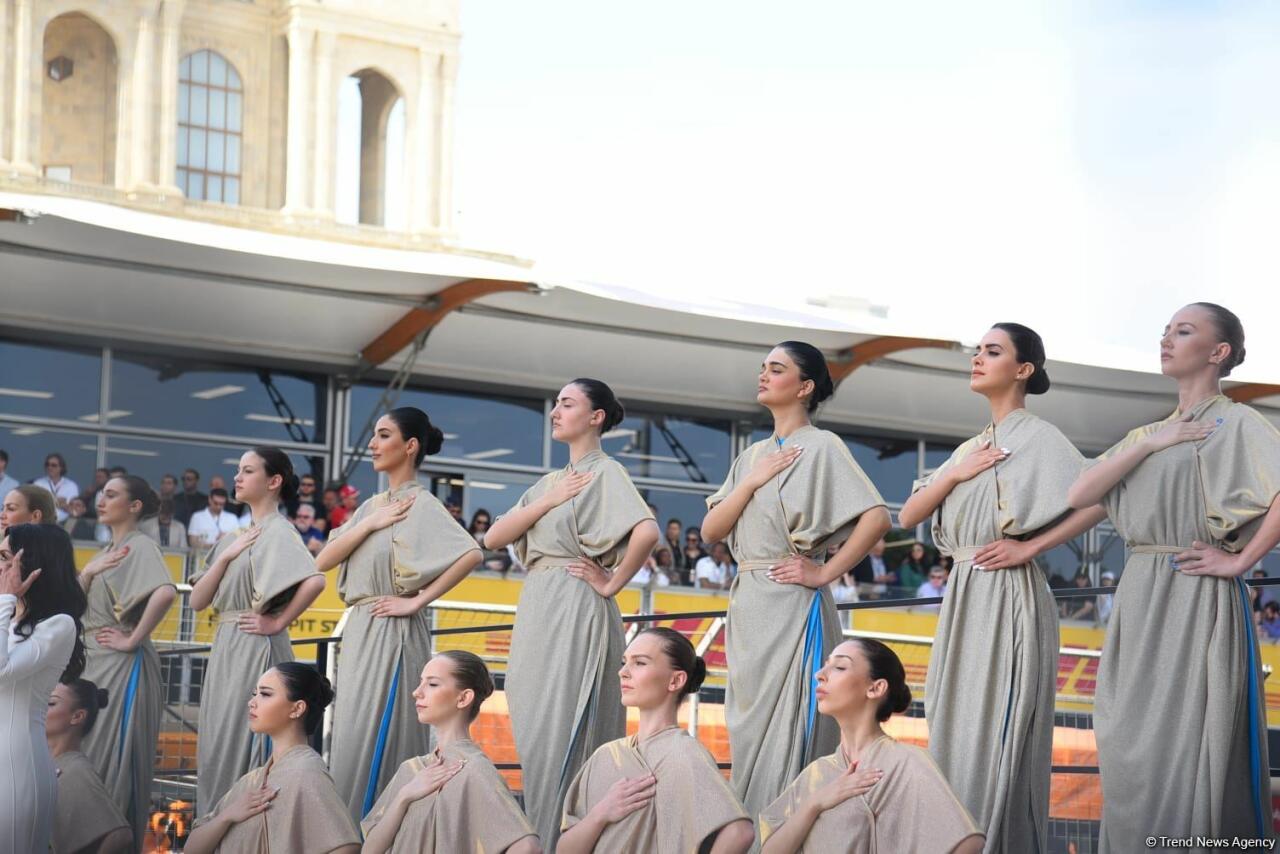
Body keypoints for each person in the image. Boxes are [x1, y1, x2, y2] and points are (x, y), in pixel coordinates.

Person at [1065, 303, 1280, 850]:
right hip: (1139, 593)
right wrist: (1151, 443)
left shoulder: (1238, 422)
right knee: (1125, 737)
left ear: (1218, 352)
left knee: (1188, 743)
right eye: (1166, 331)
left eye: (1183, 331)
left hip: (1197, 591)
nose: (1166, 339)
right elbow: (1080, 493)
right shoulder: (1148, 432)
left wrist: (1240, 561)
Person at [897, 322, 1092, 852]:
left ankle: (993, 840)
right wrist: (954, 475)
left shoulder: (1040, 436)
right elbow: (908, 514)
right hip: (963, 592)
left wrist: (1030, 548)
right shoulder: (970, 447)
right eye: (977, 350)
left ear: (1023, 369)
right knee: (952, 719)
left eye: (992, 351)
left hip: (1009, 592)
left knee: (997, 724)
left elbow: (1098, 498)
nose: (977, 359)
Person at [700, 341, 891, 818]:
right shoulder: (752, 456)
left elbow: (877, 518)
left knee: (790, 730)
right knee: (748, 727)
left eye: (776, 368)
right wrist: (752, 480)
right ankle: (753, 829)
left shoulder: (823, 446)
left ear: (804, 387)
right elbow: (711, 531)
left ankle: (784, 830)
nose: (763, 375)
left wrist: (824, 572)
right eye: (763, 367)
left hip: (793, 604)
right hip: (748, 605)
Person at [484, 378, 659, 850]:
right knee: (534, 724)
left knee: (566, 726)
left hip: (576, 603)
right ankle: (548, 831)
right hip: (538, 604)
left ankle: (562, 836)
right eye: (556, 404)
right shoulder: (551, 482)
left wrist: (612, 583)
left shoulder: (606, 471)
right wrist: (550, 499)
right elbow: (493, 538)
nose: (555, 412)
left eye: (567, 404)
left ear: (595, 416)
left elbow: (647, 531)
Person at [316, 407, 482, 822]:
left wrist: (416, 601)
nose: (373, 444)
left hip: (393, 630)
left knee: (379, 736)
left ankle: (379, 832)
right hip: (361, 629)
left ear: (409, 446)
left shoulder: (420, 503)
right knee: (351, 737)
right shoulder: (372, 506)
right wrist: (369, 524)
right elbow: (323, 559)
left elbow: (471, 553)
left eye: (384, 435)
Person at [190, 448, 327, 817]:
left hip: (256, 644)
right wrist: (224, 556)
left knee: (245, 736)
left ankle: (244, 826)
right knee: (218, 738)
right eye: (238, 470)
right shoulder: (234, 536)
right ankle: (215, 822)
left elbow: (315, 580)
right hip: (226, 643)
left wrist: (278, 622)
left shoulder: (279, 531)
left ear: (273, 481)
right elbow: (198, 601)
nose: (237, 477)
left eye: (247, 471)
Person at [759, 638, 984, 854]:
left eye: (840, 667)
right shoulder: (816, 773)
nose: (820, 675)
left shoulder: (906, 762)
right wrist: (815, 803)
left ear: (875, 688)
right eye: (826, 665)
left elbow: (968, 843)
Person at [559, 628, 753, 853]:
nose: (623, 672)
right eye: (624, 662)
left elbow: (740, 832)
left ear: (675, 680)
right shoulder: (604, 755)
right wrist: (601, 813)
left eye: (640, 663)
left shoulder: (684, 754)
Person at [80, 475, 178, 847]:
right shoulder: (109, 549)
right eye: (101, 494)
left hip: (121, 665)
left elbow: (165, 592)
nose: (101, 500)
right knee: (91, 755)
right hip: (95, 663)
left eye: (111, 495)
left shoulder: (140, 545)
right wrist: (88, 572)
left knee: (113, 759)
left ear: (134, 506)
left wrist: (133, 639)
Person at [361, 651, 541, 854]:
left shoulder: (474, 770)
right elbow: (369, 850)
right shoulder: (411, 769)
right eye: (421, 682)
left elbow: (528, 847)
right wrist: (405, 795)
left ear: (463, 698)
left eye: (432, 684)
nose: (417, 692)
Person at [185, 663, 360, 854]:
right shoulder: (252, 781)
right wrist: (227, 816)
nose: (252, 702)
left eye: (265, 694)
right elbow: (191, 849)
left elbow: (346, 847)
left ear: (297, 708)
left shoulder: (307, 773)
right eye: (255, 693)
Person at [0, 524, 86, 854]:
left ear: (34, 565)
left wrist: (6, 599)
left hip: (16, 763)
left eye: (5, 557)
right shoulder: (7, 616)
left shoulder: (59, 624)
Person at [45, 678, 131, 854]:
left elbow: (120, 835)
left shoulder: (75, 770)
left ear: (77, 716)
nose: (40, 708)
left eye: (50, 703)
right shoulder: (51, 764)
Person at [32, 453, 79, 523]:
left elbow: (75, 510)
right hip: (42, 522)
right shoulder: (38, 483)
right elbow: (34, 505)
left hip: (64, 523)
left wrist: (49, 501)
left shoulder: (71, 486)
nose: (49, 467)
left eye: (53, 465)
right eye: (47, 464)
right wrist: (58, 502)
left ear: (61, 467)